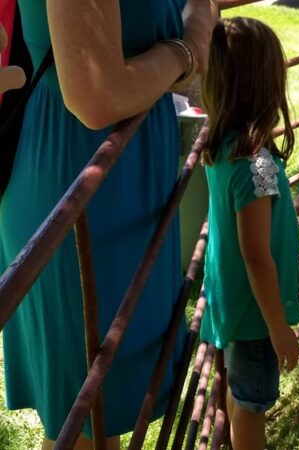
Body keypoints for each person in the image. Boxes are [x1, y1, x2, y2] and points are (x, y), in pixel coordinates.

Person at [0, 1, 216, 449]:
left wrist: (193, 31)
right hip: (77, 173)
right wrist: (185, 51)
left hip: (127, 171)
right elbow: (97, 95)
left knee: (101, 412)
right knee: (85, 413)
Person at [199, 17, 299, 450]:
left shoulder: (223, 148)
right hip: (256, 315)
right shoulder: (255, 162)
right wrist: (279, 326)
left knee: (237, 391)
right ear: (265, 85)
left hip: (231, 302)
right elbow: (256, 255)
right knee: (252, 406)